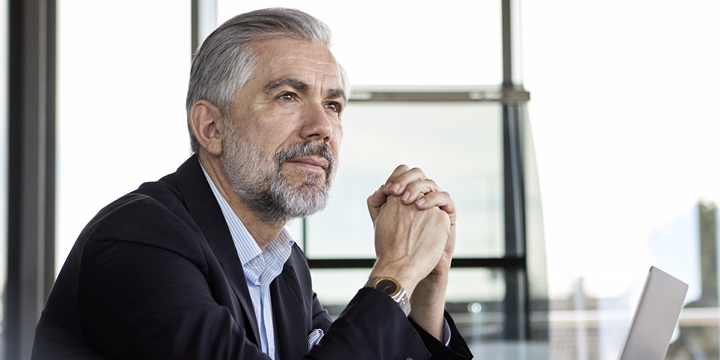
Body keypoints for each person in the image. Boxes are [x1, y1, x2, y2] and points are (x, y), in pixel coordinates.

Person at [32, 7, 472, 359]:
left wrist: (424, 287)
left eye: (333, 105)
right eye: (288, 96)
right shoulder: (137, 243)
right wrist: (395, 272)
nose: (322, 127)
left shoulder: (282, 264)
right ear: (211, 128)